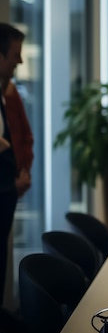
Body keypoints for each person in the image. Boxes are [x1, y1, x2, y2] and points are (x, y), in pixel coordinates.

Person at [0, 23, 31, 312]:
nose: (20, 62)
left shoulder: (8, 95)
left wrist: (22, 173)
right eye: (14, 55)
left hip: (8, 190)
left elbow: (23, 136)